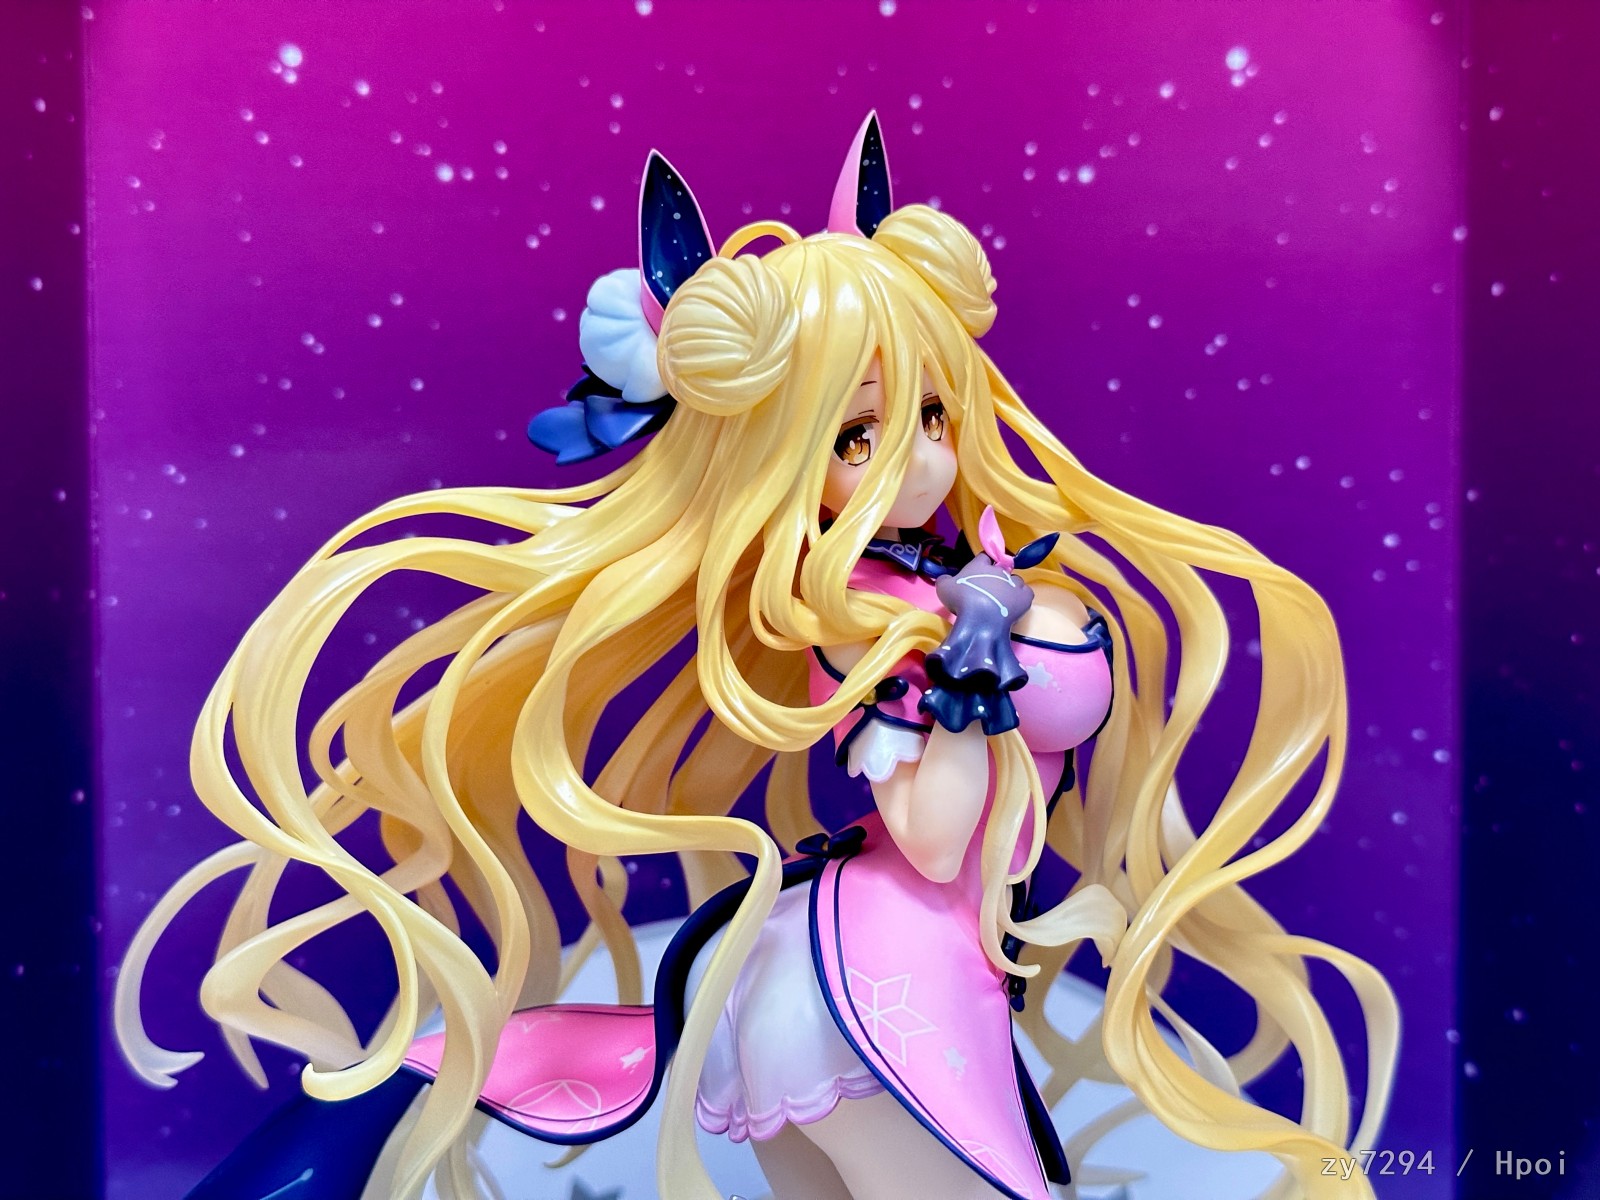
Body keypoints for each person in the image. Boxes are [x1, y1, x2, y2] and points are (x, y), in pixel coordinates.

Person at [116, 113, 1398, 1200]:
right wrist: (973, 677)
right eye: (855, 436)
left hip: (859, 969)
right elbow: (938, 842)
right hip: (875, 984)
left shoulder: (940, 586)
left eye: (930, 413)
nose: (919, 457)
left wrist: (991, 634)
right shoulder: (880, 616)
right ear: (787, 457)